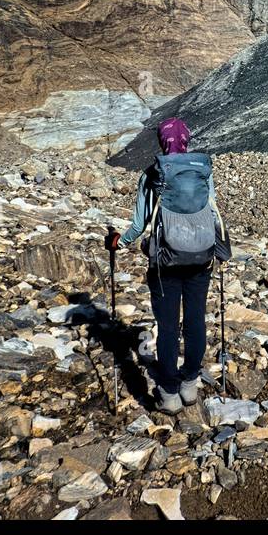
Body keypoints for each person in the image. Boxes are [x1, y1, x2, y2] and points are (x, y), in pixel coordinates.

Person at [107, 117, 225, 413]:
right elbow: (212, 210)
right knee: (196, 320)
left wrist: (119, 242)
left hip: (165, 261)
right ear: (187, 140)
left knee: (169, 326)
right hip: (201, 257)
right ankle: (189, 384)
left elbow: (139, 223)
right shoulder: (201, 171)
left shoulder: (154, 173)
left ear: (162, 141)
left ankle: (169, 393)